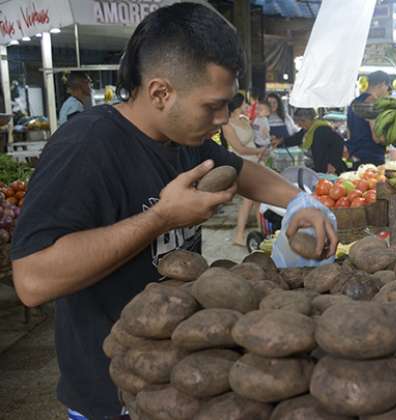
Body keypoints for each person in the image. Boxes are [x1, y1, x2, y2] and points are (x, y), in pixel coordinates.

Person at [9, 4, 337, 420]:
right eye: (212, 106)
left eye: (227, 105)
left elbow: (240, 171)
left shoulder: (183, 137)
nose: (221, 121)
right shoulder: (86, 147)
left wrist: (299, 201)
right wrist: (161, 218)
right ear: (161, 92)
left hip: (182, 382)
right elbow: (32, 280)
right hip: (114, 392)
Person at [221, 93, 268, 246]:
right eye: (244, 103)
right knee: (248, 200)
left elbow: (252, 142)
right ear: (237, 105)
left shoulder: (244, 120)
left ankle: (261, 231)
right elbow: (239, 149)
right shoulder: (226, 125)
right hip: (242, 164)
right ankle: (239, 235)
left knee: (260, 199)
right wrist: (258, 152)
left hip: (256, 162)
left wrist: (260, 153)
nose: (247, 105)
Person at [282, 108, 347, 175]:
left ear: (306, 120)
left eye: (300, 122)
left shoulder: (322, 129)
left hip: (327, 169)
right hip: (314, 168)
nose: (298, 125)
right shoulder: (308, 130)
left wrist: (333, 164)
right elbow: (295, 139)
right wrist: (281, 142)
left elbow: (339, 142)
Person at [346, 71, 391, 166]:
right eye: (387, 87)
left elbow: (349, 132)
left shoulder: (354, 103)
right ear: (382, 84)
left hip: (355, 155)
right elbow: (377, 138)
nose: (387, 91)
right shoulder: (373, 103)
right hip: (372, 158)